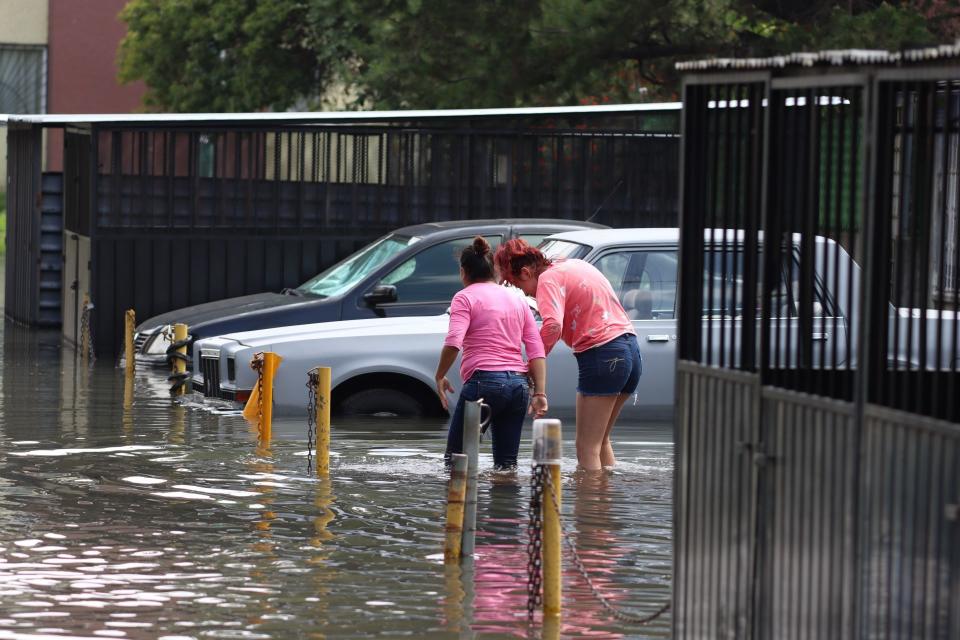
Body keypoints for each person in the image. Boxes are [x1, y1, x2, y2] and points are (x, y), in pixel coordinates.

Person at [494, 239, 641, 471]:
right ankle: (607, 503)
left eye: (520, 287)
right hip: (630, 349)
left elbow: (553, 326)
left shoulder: (547, 279)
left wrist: (532, 364)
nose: (527, 294)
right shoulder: (572, 265)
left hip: (603, 354)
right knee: (600, 441)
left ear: (525, 271)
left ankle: (589, 507)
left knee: (586, 447)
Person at [435, 237, 549, 470]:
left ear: (463, 271)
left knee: (456, 463)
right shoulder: (518, 299)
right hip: (518, 387)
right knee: (507, 466)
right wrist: (540, 393)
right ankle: (506, 505)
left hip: (483, 384)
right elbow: (536, 348)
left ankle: (461, 505)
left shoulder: (464, 297)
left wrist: (440, 375)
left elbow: (454, 341)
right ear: (495, 271)